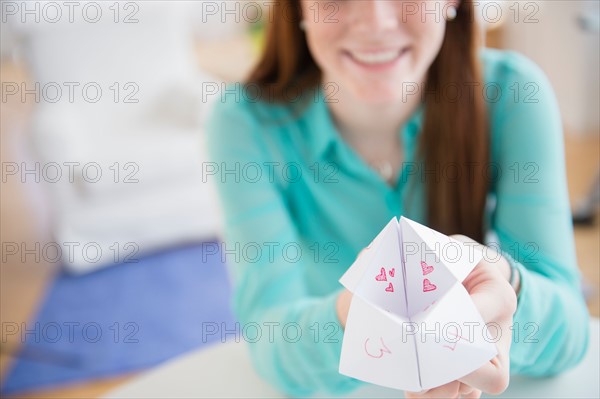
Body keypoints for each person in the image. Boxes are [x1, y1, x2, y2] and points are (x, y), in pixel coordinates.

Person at [205, 1, 590, 398]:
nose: (376, 23)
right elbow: (269, 343)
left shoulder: (513, 94)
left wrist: (505, 283)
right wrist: (356, 321)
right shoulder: (244, 124)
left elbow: (571, 333)